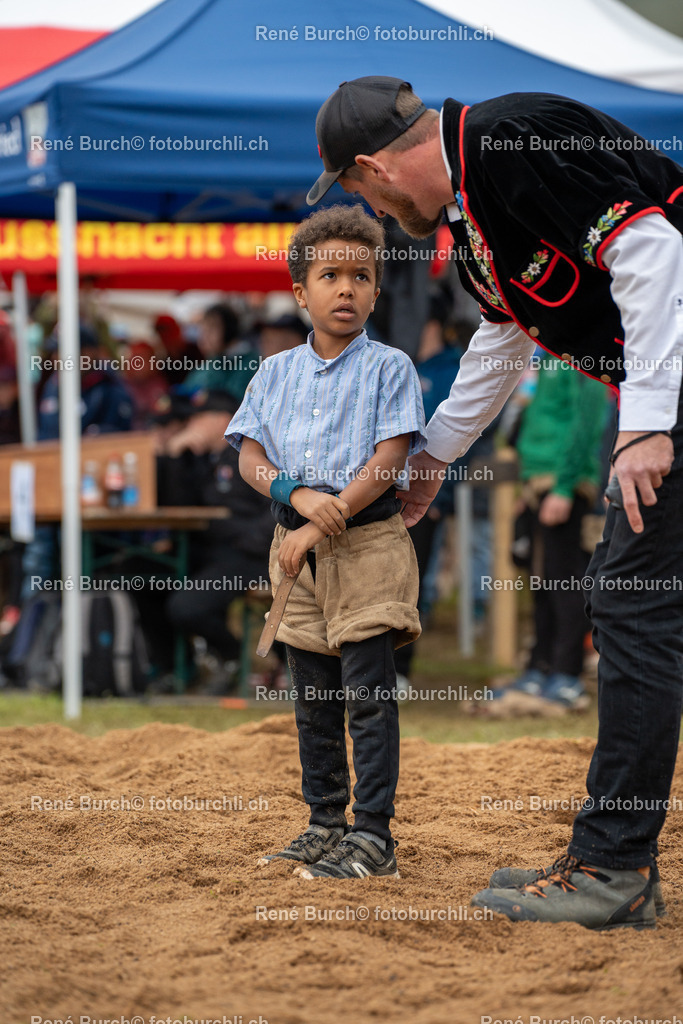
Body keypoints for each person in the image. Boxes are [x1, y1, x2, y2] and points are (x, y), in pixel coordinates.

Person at [307, 75, 683, 928]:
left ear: (373, 168)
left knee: (629, 604)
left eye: (356, 193)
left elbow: (653, 251)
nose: (367, 211)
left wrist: (647, 423)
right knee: (630, 601)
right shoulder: (470, 212)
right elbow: (502, 338)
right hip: (661, 396)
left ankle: (613, 866)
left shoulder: (510, 139)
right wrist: (433, 456)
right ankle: (611, 860)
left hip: (665, 397)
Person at [226, 204, 426, 879]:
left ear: (377, 291)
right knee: (312, 699)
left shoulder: (390, 367)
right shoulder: (273, 373)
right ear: (299, 292)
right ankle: (324, 822)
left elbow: (389, 460)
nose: (346, 289)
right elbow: (249, 457)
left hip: (368, 549)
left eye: (361, 277)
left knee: (368, 696)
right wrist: (294, 495)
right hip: (295, 556)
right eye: (330, 276)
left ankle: (373, 836)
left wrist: (322, 515)